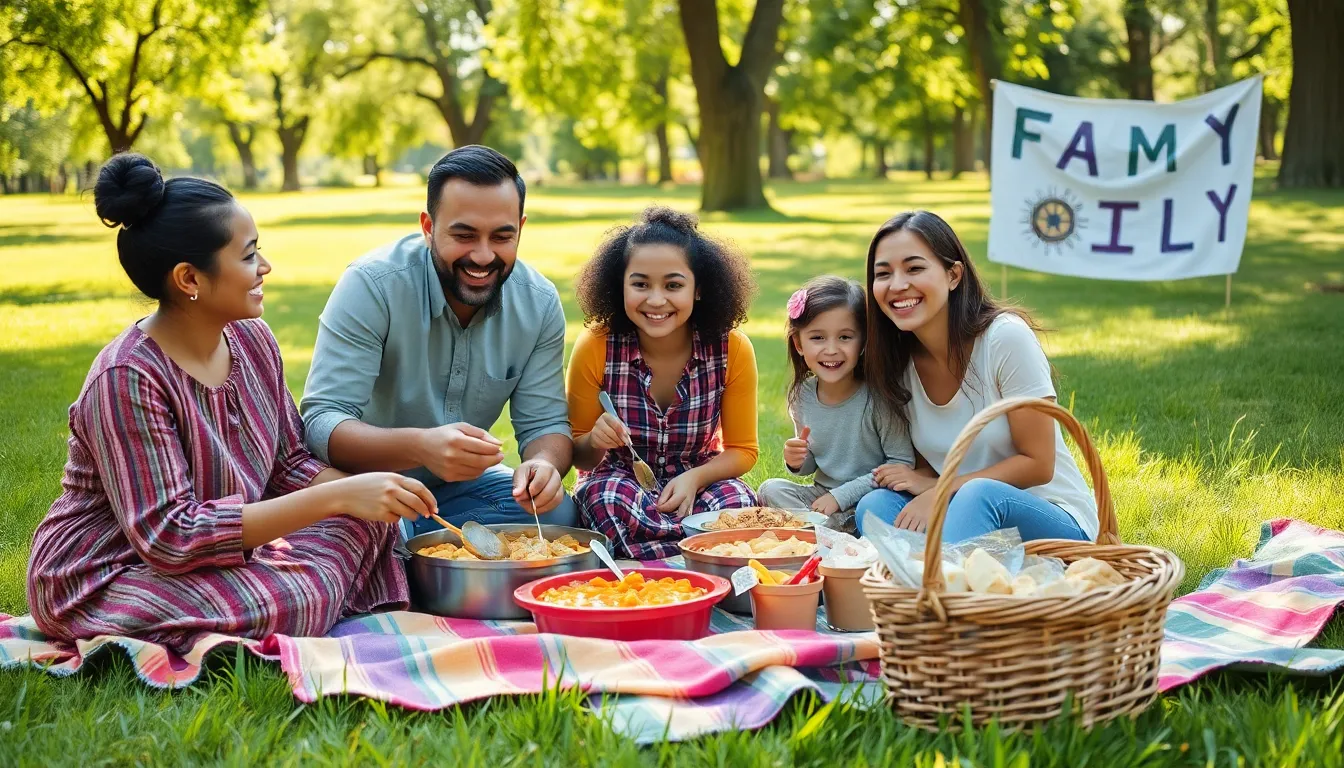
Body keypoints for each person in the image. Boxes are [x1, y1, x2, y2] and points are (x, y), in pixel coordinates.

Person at [27, 154, 432, 652]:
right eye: (247, 256)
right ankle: (305, 592)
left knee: (371, 526)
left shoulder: (252, 339)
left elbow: (289, 462)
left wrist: (369, 491)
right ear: (189, 279)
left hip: (219, 559)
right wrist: (338, 497)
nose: (265, 267)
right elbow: (169, 538)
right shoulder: (127, 378)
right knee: (298, 596)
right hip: (108, 574)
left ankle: (302, 586)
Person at [301, 146, 576, 537]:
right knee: (381, 536)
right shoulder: (373, 285)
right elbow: (321, 422)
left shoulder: (539, 302)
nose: (483, 256)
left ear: (521, 228)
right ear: (428, 227)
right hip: (366, 487)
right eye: (463, 235)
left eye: (502, 236)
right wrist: (420, 447)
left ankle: (422, 547)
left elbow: (545, 423)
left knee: (559, 517)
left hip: (464, 489)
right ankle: (406, 548)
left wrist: (544, 466)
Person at [853, 210, 1098, 544]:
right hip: (962, 512)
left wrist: (943, 489)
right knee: (876, 505)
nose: (897, 285)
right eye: (883, 274)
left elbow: (1039, 464)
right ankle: (942, 578)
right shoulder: (897, 364)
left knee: (977, 495)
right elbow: (933, 464)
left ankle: (938, 585)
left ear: (953, 275)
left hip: (1051, 516)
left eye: (914, 268)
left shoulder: (1004, 339)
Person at [566, 207, 759, 559]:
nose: (656, 300)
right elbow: (578, 455)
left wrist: (695, 479)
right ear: (619, 286)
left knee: (738, 502)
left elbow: (743, 451)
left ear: (699, 289)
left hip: (699, 475)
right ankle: (699, 553)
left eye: (673, 285)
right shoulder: (596, 346)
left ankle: (658, 553)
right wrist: (595, 439)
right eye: (640, 284)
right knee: (605, 500)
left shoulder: (732, 349)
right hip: (619, 480)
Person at [757, 276, 913, 532]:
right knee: (770, 489)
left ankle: (822, 532)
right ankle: (826, 531)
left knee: (871, 509)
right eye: (817, 338)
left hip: (870, 497)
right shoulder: (801, 395)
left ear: (863, 343)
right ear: (799, 344)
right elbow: (813, 465)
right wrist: (797, 461)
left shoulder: (878, 399)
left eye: (845, 337)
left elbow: (901, 462)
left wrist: (840, 497)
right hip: (822, 495)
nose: (831, 349)